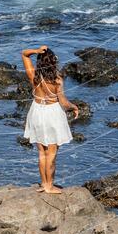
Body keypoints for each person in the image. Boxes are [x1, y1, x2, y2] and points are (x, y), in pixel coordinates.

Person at [21, 45, 79, 193]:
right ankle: (49, 186)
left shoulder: (33, 75)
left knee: (42, 153)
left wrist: (36, 51)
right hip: (52, 114)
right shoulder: (57, 80)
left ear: (39, 61)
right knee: (51, 153)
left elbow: (24, 54)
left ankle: (43, 184)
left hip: (36, 111)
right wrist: (74, 107)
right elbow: (64, 103)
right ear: (53, 61)